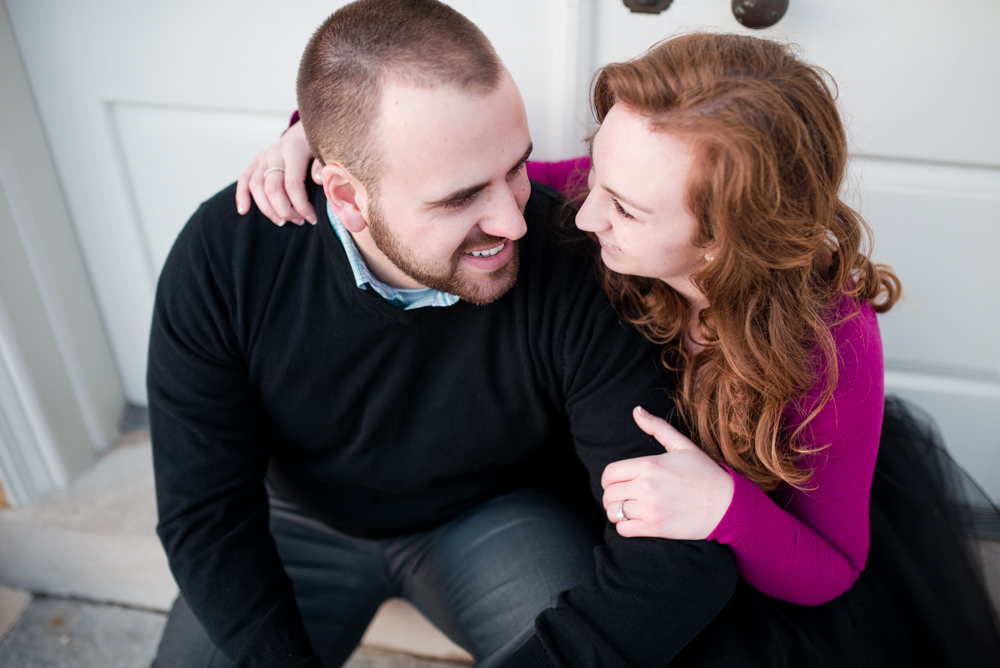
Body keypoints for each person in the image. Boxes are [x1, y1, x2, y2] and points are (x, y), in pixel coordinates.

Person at [246, 30, 1000, 666]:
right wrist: (312, 131)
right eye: (595, 175)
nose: (577, 217)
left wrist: (725, 506)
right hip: (580, 498)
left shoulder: (831, 344)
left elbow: (831, 571)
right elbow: (426, 170)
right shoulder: (592, 193)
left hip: (745, 555)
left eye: (626, 209)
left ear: (723, 240)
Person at [148, 2, 736, 668]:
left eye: (516, 168)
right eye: (459, 198)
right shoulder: (229, 256)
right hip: (302, 524)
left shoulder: (576, 262)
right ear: (345, 197)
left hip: (496, 520)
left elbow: (671, 551)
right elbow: (203, 515)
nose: (513, 223)